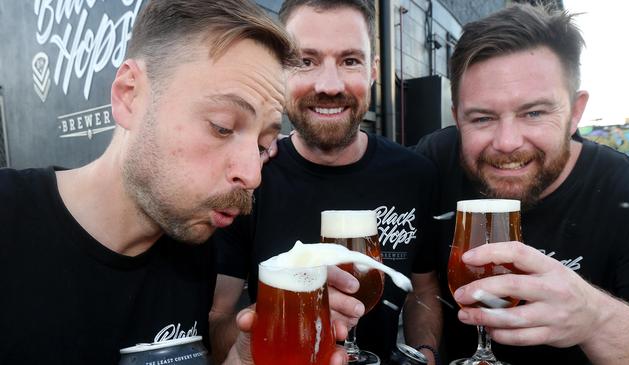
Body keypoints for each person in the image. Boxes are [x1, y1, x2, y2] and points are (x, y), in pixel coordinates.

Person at [0, 1, 360, 364]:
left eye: (263, 146)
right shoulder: (10, 218)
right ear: (129, 95)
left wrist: (241, 356)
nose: (252, 174)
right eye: (221, 126)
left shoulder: (193, 245)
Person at [414, 4, 629, 364]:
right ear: (457, 117)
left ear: (575, 112)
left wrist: (596, 317)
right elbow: (423, 279)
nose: (507, 142)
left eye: (534, 113)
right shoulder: (435, 160)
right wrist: (425, 351)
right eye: (482, 117)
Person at [209, 0, 441, 364]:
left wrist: (425, 354)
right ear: (281, 71)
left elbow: (421, 289)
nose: (329, 85)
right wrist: (275, 319)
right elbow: (219, 317)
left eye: (350, 60)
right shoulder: (249, 180)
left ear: (373, 71)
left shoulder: (416, 174)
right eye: (306, 61)